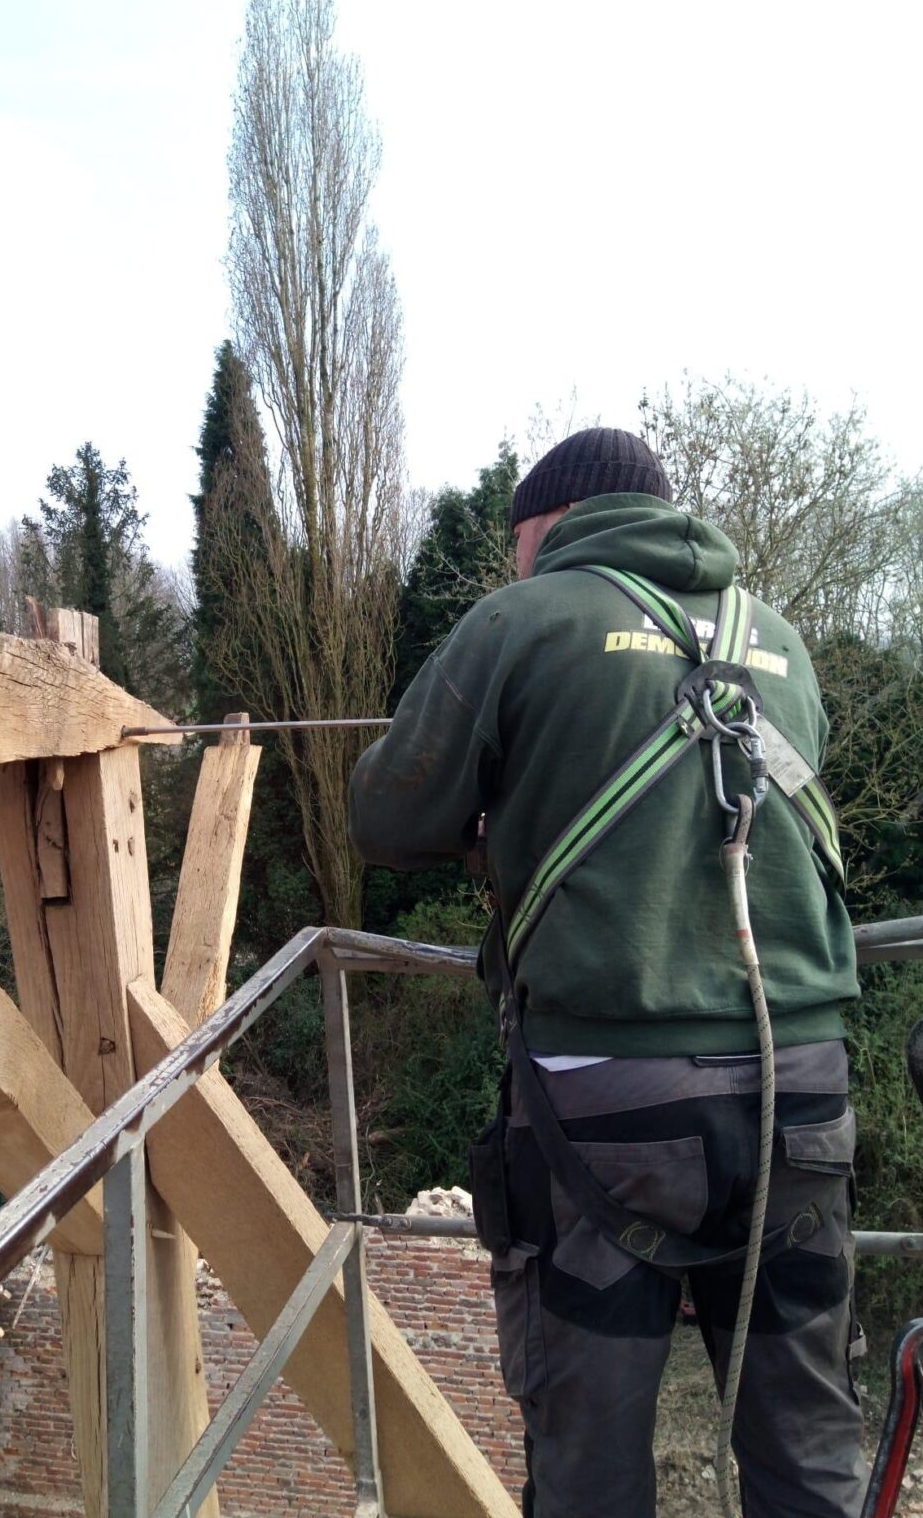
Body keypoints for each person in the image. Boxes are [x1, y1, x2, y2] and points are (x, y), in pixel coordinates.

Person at [348, 428, 866, 1517]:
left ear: (547, 527)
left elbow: (388, 816)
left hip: (609, 1101)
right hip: (803, 1086)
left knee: (589, 1464)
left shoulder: (524, 615)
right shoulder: (777, 637)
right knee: (809, 1447)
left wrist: (504, 816)